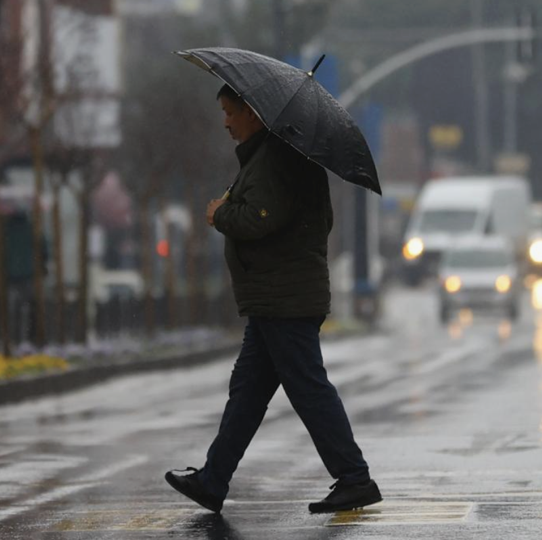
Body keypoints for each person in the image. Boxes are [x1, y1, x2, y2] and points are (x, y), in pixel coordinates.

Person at [164, 84, 382, 514]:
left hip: (285, 299)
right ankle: (213, 480)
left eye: (230, 112)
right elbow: (312, 218)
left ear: (253, 112)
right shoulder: (278, 156)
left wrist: (219, 214)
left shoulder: (276, 157)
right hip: (277, 298)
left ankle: (355, 478)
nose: (225, 122)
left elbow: (260, 219)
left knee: (308, 388)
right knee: (247, 391)